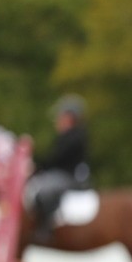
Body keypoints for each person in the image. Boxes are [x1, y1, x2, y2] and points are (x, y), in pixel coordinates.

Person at [28, 94, 91, 240]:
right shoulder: (68, 136)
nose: (57, 119)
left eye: (60, 115)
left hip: (69, 176)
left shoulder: (75, 136)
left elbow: (57, 159)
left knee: (43, 192)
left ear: (69, 117)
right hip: (61, 172)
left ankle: (45, 229)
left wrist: (38, 167)